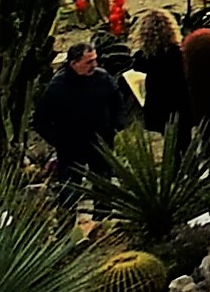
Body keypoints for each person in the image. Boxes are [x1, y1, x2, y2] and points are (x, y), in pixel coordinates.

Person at [32, 40, 139, 185]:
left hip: (101, 142)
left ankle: (102, 208)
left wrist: (116, 126)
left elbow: (117, 102)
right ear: (74, 64)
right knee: (70, 187)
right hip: (71, 146)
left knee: (103, 184)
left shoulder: (103, 78)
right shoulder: (58, 86)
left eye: (95, 60)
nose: (94, 65)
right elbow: (41, 119)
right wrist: (59, 141)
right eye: (88, 62)